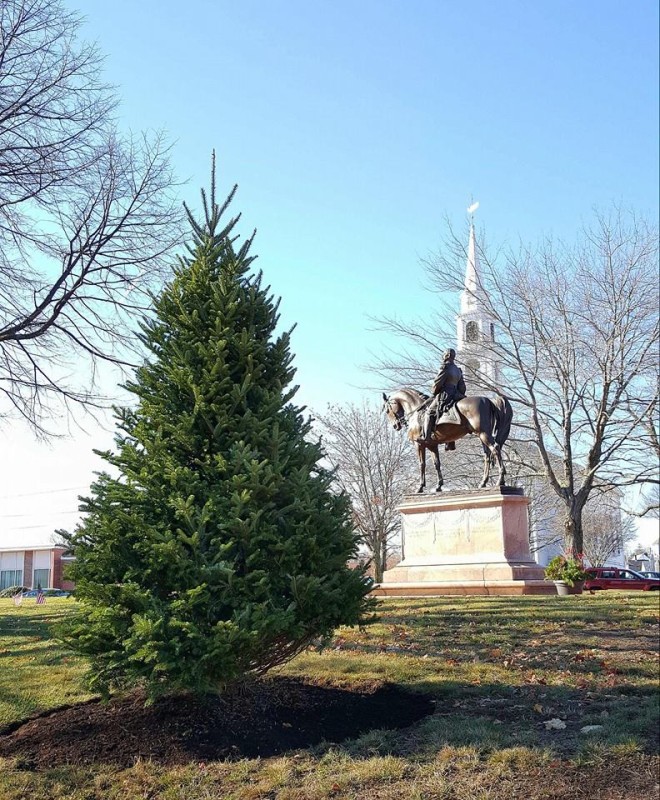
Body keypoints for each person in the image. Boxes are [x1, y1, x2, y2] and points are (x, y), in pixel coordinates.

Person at [417, 348, 466, 448]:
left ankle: (426, 438)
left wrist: (434, 392)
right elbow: (462, 387)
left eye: (443, 355)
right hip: (457, 395)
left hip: (446, 394)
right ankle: (450, 442)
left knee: (429, 412)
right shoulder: (458, 370)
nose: (443, 357)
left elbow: (437, 383)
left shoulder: (445, 367)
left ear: (447, 356)